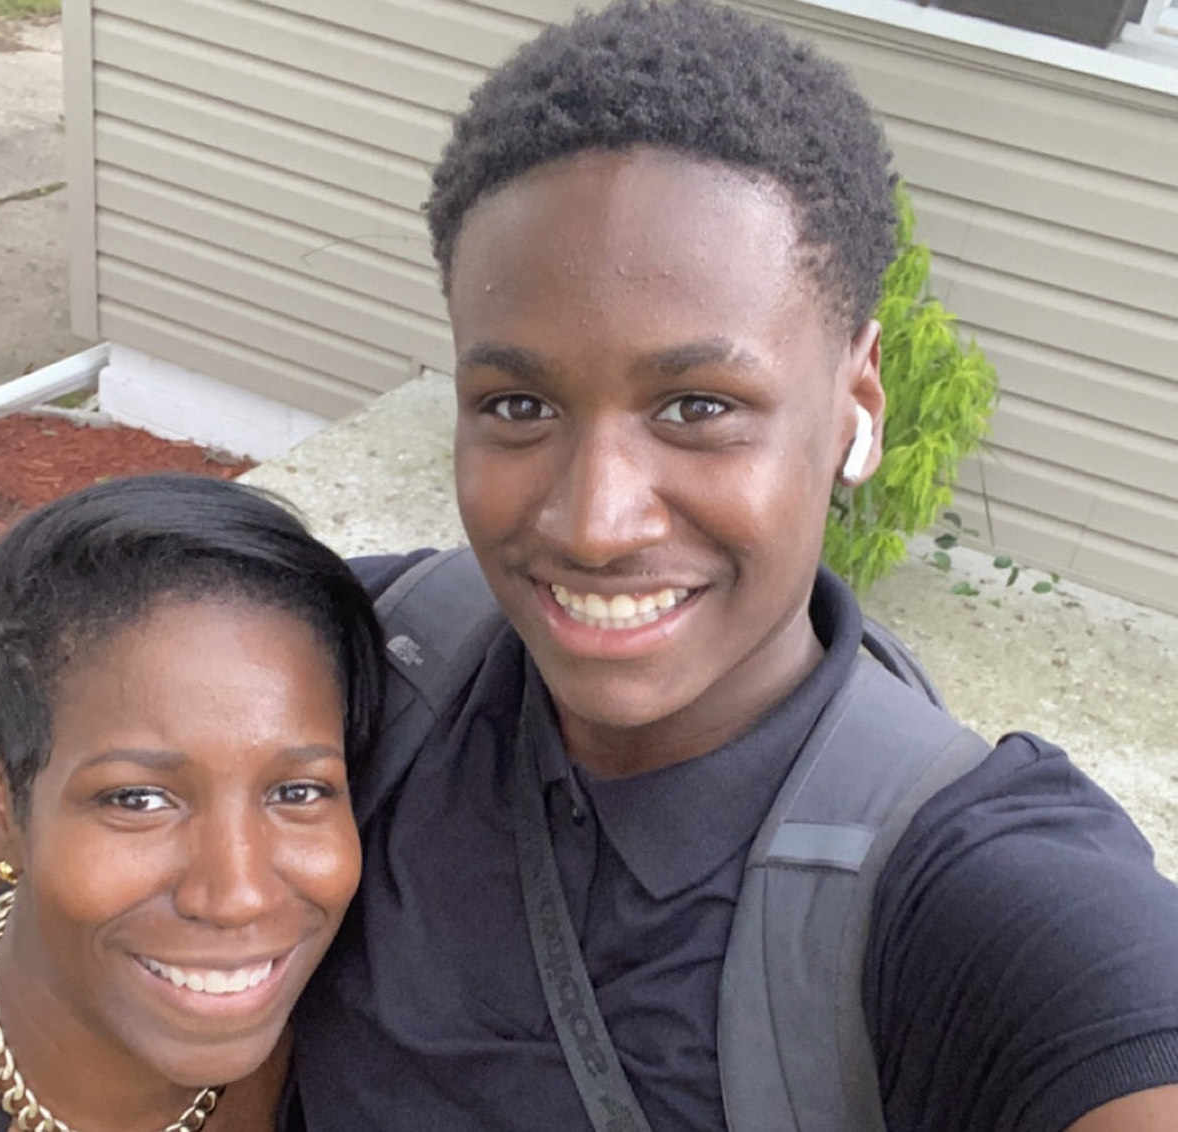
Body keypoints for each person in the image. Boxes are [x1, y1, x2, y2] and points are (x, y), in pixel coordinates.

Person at [290, 2, 1178, 1130]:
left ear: (855, 410)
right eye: (517, 404)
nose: (596, 521)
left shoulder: (966, 892)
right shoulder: (356, 667)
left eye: (699, 405)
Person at [0, 474, 384, 1132]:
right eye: (138, 799)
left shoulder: (373, 1040)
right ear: (3, 792)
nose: (237, 896)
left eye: (297, 791)